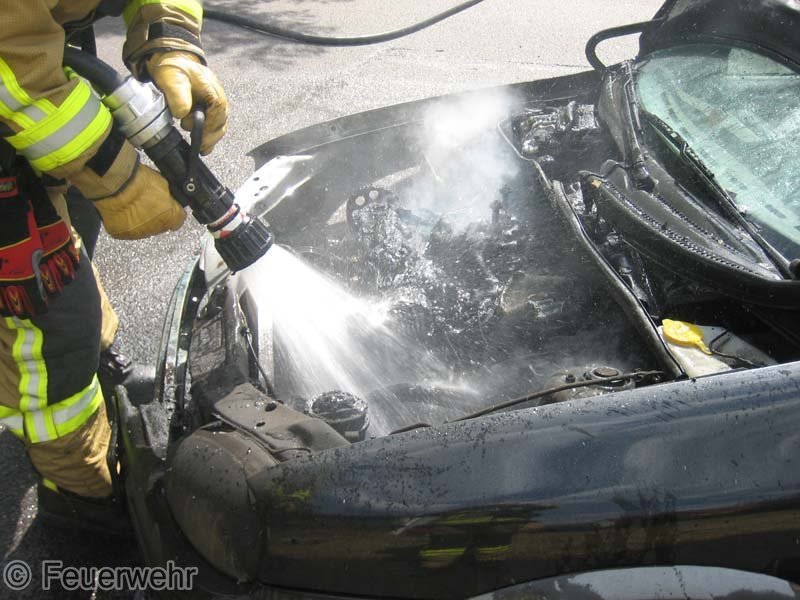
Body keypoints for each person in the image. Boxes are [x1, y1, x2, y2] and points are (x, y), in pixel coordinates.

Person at [0, 0, 228, 530]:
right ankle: (81, 491)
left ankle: (96, 366)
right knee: (49, 322)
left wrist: (169, 34)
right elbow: (11, 55)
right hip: (14, 75)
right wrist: (116, 177)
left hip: (34, 70)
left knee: (73, 233)